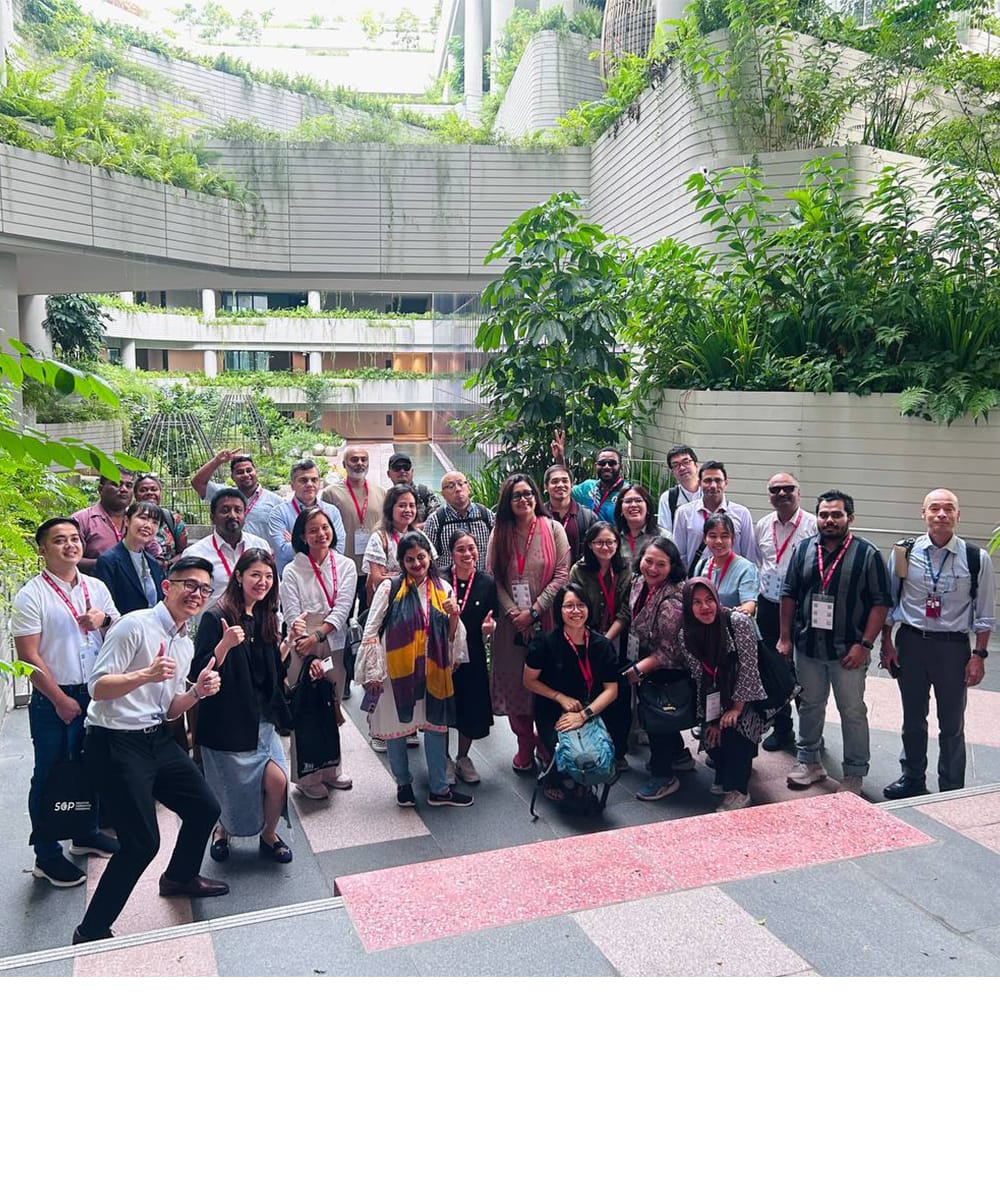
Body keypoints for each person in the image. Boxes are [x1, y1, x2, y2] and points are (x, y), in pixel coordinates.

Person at [73, 556, 228, 944]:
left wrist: (197, 692)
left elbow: (170, 708)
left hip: (156, 737)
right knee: (142, 842)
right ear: (166, 586)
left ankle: (178, 877)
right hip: (114, 741)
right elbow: (97, 687)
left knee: (204, 807)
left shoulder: (184, 642)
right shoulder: (133, 626)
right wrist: (145, 673)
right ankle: (90, 931)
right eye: (188, 585)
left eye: (204, 589)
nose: (196, 594)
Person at [12, 517, 121, 888]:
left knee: (90, 765)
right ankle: (46, 855)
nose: (70, 545)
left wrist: (103, 618)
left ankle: (85, 832)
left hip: (95, 691)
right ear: (42, 549)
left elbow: (117, 630)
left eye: (74, 539)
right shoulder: (32, 595)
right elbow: (27, 658)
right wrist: (59, 699)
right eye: (59, 540)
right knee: (50, 772)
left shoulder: (96, 587)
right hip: (54, 696)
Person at [880, 488, 996, 799]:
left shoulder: (975, 558)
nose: (941, 514)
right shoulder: (904, 552)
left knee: (952, 722)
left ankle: (951, 788)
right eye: (934, 508)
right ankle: (912, 777)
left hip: (952, 648)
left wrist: (979, 655)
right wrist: (886, 643)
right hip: (912, 643)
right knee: (912, 718)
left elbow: (984, 613)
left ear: (959, 516)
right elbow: (890, 602)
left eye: (949, 509)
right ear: (923, 514)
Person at [779, 490, 891, 796]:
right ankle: (809, 762)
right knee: (810, 705)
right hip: (809, 648)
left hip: (849, 651)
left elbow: (881, 604)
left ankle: (854, 772)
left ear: (850, 519)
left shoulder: (867, 554)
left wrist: (865, 645)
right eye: (824, 514)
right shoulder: (803, 550)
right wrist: (786, 638)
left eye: (836, 515)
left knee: (851, 710)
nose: (829, 520)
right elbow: (788, 594)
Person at [192, 549, 294, 864]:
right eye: (255, 575)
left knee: (277, 780)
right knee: (230, 789)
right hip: (227, 720)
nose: (262, 582)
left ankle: (269, 833)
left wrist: (286, 647)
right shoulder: (216, 616)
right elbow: (197, 674)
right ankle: (222, 831)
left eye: (267, 576)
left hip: (261, 718)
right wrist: (223, 646)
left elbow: (264, 670)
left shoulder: (266, 614)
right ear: (238, 576)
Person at [357, 531, 472, 808]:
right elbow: (371, 630)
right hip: (396, 674)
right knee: (398, 729)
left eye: (421, 557)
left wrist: (454, 615)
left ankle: (439, 789)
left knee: (435, 727)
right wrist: (373, 672)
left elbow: (452, 634)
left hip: (433, 671)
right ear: (401, 562)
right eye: (410, 559)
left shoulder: (443, 588)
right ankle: (403, 784)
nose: (417, 563)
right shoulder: (390, 588)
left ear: (429, 557)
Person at [487, 473, 571, 772]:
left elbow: (562, 574)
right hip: (511, 628)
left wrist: (534, 611)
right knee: (515, 685)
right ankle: (525, 743)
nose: (523, 500)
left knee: (545, 684)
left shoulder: (554, 528)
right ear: (508, 502)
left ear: (536, 496)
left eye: (527, 494)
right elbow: (493, 577)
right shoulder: (500, 532)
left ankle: (547, 744)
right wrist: (513, 613)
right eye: (516, 496)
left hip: (547, 621)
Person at [279, 507, 357, 797]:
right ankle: (308, 776)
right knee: (307, 707)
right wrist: (307, 648)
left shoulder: (345, 565)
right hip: (302, 646)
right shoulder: (292, 569)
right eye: (313, 530)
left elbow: (343, 606)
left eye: (325, 527)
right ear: (302, 536)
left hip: (332, 641)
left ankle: (331, 769)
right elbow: (291, 614)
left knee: (331, 705)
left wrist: (320, 635)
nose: (321, 534)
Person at [678, 578, 768, 812]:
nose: (705, 607)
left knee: (737, 729)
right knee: (712, 733)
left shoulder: (737, 622)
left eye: (709, 600)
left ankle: (739, 790)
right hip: (715, 693)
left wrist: (735, 709)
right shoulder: (686, 634)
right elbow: (701, 677)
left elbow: (749, 669)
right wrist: (712, 719)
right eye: (696, 602)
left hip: (747, 694)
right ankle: (723, 772)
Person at [523, 584, 620, 802]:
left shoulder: (601, 645)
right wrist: (559, 697)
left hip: (590, 709)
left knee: (594, 752)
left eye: (581, 605)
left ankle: (581, 778)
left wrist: (584, 715)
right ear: (559, 610)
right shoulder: (545, 644)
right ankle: (553, 772)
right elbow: (528, 681)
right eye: (569, 606)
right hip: (552, 711)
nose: (576, 611)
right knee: (564, 746)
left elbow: (612, 690)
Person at [621, 536, 691, 800]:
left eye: (661, 564)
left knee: (658, 719)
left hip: (666, 668)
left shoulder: (673, 598)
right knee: (656, 716)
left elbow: (670, 649)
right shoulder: (639, 582)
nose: (652, 568)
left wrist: (639, 669)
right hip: (642, 656)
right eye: (648, 561)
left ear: (672, 567)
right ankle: (679, 755)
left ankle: (664, 776)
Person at [754, 472, 817, 751]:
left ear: (799, 492)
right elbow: (761, 560)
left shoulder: (813, 525)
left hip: (803, 607)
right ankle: (783, 730)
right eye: (775, 489)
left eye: (787, 488)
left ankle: (810, 736)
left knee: (805, 671)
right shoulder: (763, 525)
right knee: (773, 670)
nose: (781, 494)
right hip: (769, 606)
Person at [569, 521, 632, 764]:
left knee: (620, 696)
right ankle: (593, 746)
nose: (605, 547)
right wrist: (593, 640)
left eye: (610, 542)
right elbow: (574, 605)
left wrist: (607, 639)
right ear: (590, 545)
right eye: (599, 542)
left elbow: (627, 610)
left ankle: (619, 752)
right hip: (586, 640)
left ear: (618, 543)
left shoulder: (627, 570)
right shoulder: (579, 570)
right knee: (592, 692)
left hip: (618, 641)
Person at [446, 530, 498, 786]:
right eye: (460, 549)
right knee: (443, 707)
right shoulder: (442, 580)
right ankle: (442, 759)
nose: (467, 554)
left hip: (474, 653)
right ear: (451, 553)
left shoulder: (487, 583)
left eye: (471, 548)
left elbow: (493, 617)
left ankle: (462, 758)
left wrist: (490, 630)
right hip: (443, 655)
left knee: (470, 707)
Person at [320, 444, 385, 605]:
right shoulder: (331, 493)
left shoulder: (381, 492)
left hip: (372, 565)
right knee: (342, 611)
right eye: (354, 459)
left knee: (369, 610)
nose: (360, 463)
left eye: (364, 459)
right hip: (344, 564)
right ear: (344, 464)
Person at [187, 488, 270, 605]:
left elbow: (272, 590)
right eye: (225, 510)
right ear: (212, 517)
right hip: (215, 621)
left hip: (255, 620)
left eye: (238, 510)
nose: (232, 515)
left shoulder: (260, 546)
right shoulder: (195, 554)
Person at [268, 459, 346, 578]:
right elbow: (283, 552)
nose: (309, 484)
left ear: (319, 483)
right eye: (303, 480)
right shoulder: (279, 513)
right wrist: (323, 543)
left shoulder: (332, 511)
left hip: (327, 577)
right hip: (293, 579)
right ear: (292, 485)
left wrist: (296, 542)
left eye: (314, 480)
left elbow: (339, 548)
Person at [672, 460, 755, 572]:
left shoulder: (741, 513)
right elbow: (679, 555)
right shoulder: (684, 513)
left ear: (726, 483)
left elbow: (749, 555)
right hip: (697, 584)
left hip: (732, 584)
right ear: (699, 483)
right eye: (707, 481)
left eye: (718, 480)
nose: (713, 485)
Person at [191, 449, 282, 541]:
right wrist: (217, 461)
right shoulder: (224, 496)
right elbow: (198, 483)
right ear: (232, 477)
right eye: (240, 472)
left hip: (261, 553)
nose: (246, 475)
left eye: (249, 470)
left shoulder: (276, 501)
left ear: (256, 472)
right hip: (227, 553)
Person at [94, 500, 165, 615]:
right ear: (127, 521)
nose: (148, 525)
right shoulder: (108, 561)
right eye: (143, 518)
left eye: (155, 522)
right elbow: (104, 606)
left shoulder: (153, 563)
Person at [362, 484, 425, 606]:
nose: (408, 510)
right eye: (402, 505)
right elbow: (378, 581)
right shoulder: (380, 538)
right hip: (390, 604)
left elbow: (430, 570)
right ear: (390, 508)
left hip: (418, 602)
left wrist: (395, 575)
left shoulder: (420, 536)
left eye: (411, 505)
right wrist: (413, 575)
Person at [420, 471, 495, 573]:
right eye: (451, 486)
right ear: (443, 494)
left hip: (481, 581)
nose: (458, 489)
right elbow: (428, 557)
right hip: (448, 583)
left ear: (469, 488)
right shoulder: (435, 521)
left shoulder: (485, 515)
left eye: (461, 484)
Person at [550, 433, 630, 523]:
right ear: (596, 466)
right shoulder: (587, 487)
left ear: (621, 466)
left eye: (612, 463)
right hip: (587, 536)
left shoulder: (628, 492)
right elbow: (564, 493)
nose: (607, 467)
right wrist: (560, 459)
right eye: (602, 463)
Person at [695, 513, 759, 616]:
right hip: (706, 627)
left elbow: (749, 603)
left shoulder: (746, 568)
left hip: (733, 627)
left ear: (733, 538)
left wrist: (741, 612)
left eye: (724, 536)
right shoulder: (701, 566)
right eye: (713, 536)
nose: (718, 541)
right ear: (704, 538)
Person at [72, 469, 134, 573]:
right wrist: (108, 563)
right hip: (93, 587)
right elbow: (69, 560)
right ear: (101, 489)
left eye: (129, 486)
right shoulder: (80, 520)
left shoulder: (137, 521)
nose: (124, 489)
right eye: (117, 484)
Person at [542, 464, 596, 563]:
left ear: (572, 484)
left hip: (578, 576)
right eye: (554, 482)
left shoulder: (587, 517)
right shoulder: (539, 515)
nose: (560, 485)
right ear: (546, 486)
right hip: (546, 576)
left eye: (565, 481)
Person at [133, 473, 187, 562]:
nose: (149, 493)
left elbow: (183, 553)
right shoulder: (127, 519)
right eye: (143, 490)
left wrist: (167, 564)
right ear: (135, 495)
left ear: (160, 493)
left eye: (154, 489)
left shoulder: (174, 520)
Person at [657, 445, 702, 536]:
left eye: (686, 462)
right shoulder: (668, 498)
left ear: (696, 465)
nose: (681, 468)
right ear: (672, 471)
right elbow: (665, 533)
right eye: (675, 465)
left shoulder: (709, 492)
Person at [386, 453, 440, 525]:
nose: (402, 471)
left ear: (412, 472)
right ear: (389, 474)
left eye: (406, 467)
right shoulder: (386, 498)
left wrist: (416, 529)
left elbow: (437, 518)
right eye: (397, 468)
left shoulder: (425, 493)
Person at [613, 483, 659, 566]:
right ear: (620, 509)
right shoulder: (612, 537)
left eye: (638, 500)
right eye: (628, 501)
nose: (633, 505)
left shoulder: (663, 536)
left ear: (647, 507)